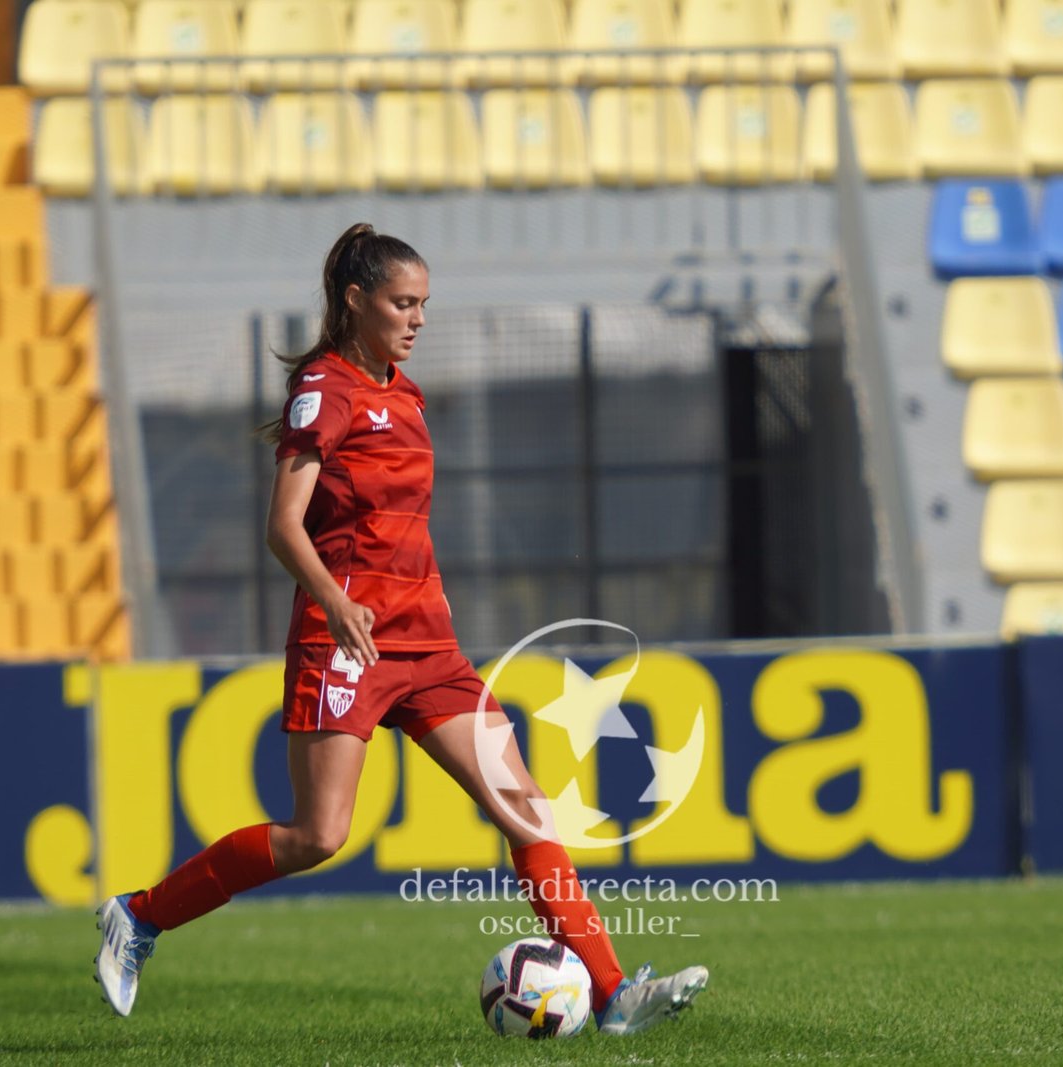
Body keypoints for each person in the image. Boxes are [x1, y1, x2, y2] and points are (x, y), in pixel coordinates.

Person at [92, 223, 708, 1030]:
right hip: (347, 640)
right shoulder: (325, 389)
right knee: (318, 835)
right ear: (356, 301)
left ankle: (613, 991)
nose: (417, 319)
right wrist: (334, 599)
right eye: (402, 303)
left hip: (429, 646)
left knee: (525, 806)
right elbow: (283, 524)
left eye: (423, 304)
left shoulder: (406, 394)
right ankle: (139, 915)